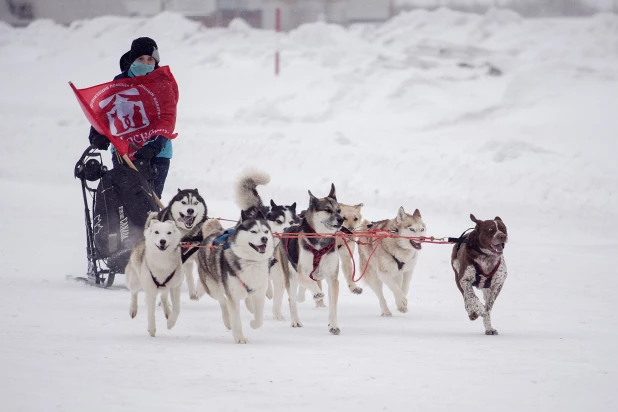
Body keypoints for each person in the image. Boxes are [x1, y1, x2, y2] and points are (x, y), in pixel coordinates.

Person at [87, 37, 172, 199]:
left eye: (150, 59)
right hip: (124, 151)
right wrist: (96, 135)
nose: (146, 63)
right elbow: (105, 111)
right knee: (125, 203)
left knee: (149, 202)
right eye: (141, 59)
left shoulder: (163, 83)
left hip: (157, 152)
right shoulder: (120, 83)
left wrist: (155, 146)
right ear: (132, 59)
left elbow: (167, 117)